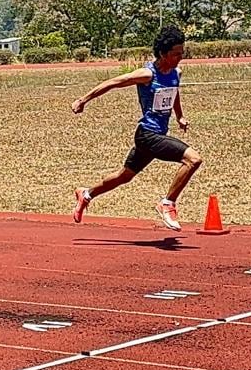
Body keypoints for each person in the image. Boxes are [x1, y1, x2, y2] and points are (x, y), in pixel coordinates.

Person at [71, 25, 202, 232]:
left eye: (182, 53)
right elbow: (114, 82)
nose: (180, 57)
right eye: (176, 54)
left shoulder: (177, 72)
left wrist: (180, 116)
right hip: (147, 135)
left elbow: (173, 93)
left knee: (124, 176)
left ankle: (86, 193)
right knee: (193, 159)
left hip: (157, 135)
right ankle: (168, 203)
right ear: (163, 53)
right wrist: (83, 100)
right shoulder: (147, 74)